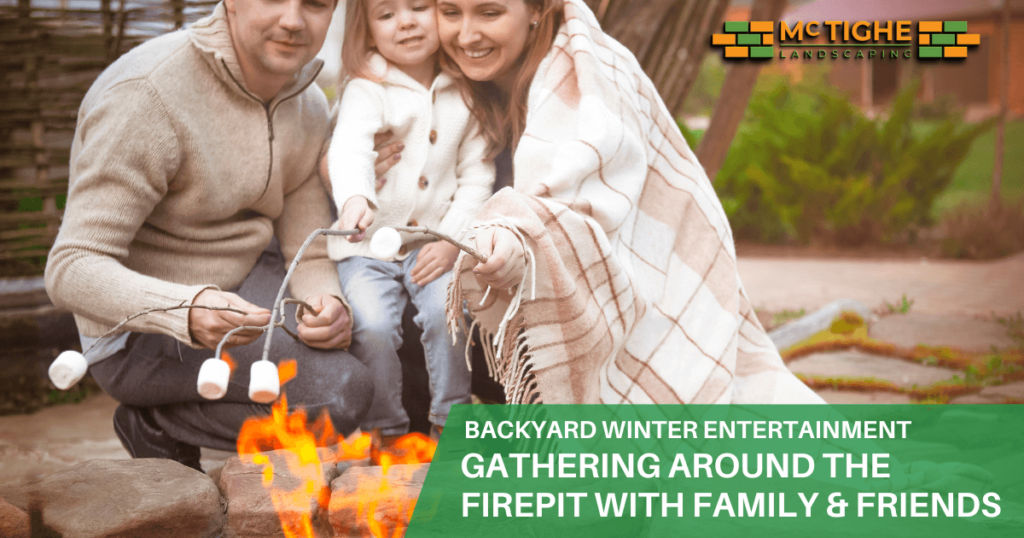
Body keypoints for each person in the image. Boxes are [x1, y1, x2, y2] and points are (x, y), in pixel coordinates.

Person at [43, 0, 395, 471]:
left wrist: (328, 305)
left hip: (248, 282)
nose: (293, 20)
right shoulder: (146, 95)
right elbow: (70, 267)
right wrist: (185, 311)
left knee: (377, 340)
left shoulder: (307, 101)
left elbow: (304, 249)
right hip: (136, 331)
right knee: (340, 394)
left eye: (314, 3)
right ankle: (157, 423)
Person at [436, 0, 825, 405]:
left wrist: (521, 236)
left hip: (639, 302)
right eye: (450, 13)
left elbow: (584, 211)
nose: (466, 35)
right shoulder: (435, 81)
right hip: (479, 288)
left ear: (537, 9)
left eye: (489, 13)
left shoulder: (592, 78)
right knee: (413, 311)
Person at [326, 0, 495, 441]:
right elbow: (350, 147)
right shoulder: (368, 87)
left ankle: (450, 421)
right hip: (365, 246)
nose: (405, 22)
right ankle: (385, 428)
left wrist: (451, 240)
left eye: (419, 7)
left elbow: (478, 175)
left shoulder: (465, 91)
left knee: (446, 312)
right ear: (367, 34)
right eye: (386, 15)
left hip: (432, 244)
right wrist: (354, 197)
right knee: (374, 323)